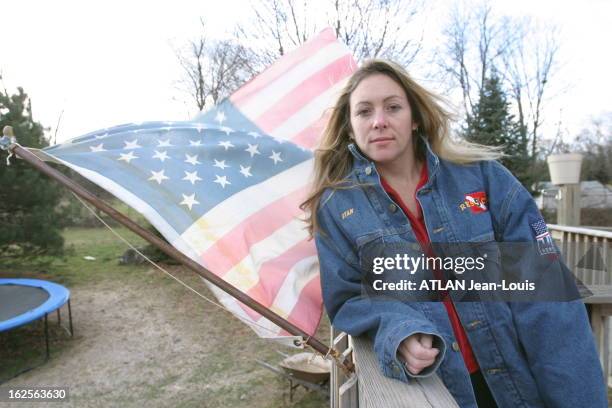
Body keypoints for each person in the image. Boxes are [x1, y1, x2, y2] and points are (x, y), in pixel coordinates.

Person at [301, 59, 607, 408]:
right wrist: (397, 331)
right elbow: (348, 298)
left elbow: (549, 305)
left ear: (414, 118)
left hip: (519, 384)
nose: (379, 121)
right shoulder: (337, 209)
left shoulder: (486, 181)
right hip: (437, 391)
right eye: (364, 111)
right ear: (350, 126)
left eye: (393, 107)